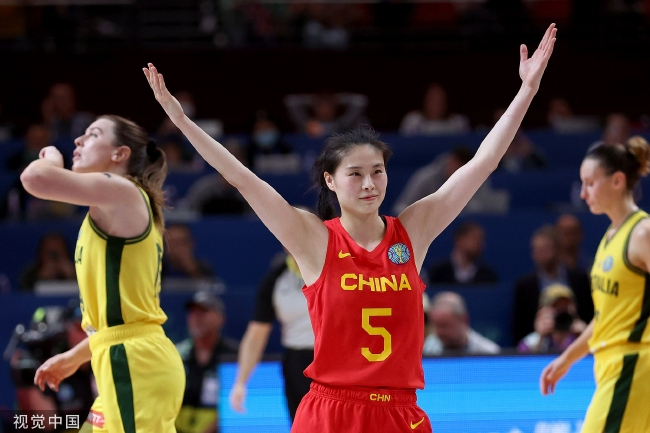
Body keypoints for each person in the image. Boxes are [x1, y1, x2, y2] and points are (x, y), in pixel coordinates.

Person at [144, 23, 556, 432]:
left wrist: (527, 91)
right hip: (331, 411)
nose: (369, 183)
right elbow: (243, 180)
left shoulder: (412, 231)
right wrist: (182, 121)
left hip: (399, 412)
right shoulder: (314, 239)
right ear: (330, 180)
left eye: (377, 171)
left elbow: (483, 163)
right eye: (355, 174)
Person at [21, 114, 185, 432]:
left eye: (93, 134)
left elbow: (34, 178)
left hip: (136, 366)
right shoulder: (114, 205)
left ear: (120, 154)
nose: (79, 140)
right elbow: (122, 322)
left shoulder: (122, 191)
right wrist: (74, 357)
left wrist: (51, 158)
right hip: (123, 358)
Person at [540, 136, 650, 432]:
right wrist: (567, 358)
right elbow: (605, 319)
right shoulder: (609, 238)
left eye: (590, 183)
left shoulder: (642, 233)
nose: (583, 193)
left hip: (634, 364)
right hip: (611, 365)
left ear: (617, 181)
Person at [229, 251, 313, 423]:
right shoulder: (275, 278)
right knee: (303, 424)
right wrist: (241, 382)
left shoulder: (338, 268)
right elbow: (256, 336)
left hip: (335, 360)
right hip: (297, 365)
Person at [511, 224, 593, 344]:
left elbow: (591, 316)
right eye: (536, 250)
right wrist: (538, 337)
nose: (539, 254)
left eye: (544, 249)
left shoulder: (580, 279)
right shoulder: (525, 286)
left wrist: (584, 333)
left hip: (577, 341)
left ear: (558, 249)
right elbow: (519, 330)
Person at [176, 290, 239, 433]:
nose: (196, 317)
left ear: (220, 318)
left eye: (203, 311)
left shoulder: (234, 357)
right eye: (193, 312)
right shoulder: (176, 355)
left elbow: (239, 403)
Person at [391, 146, 510, 215]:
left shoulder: (474, 177)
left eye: (463, 170)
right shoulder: (426, 178)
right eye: (456, 167)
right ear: (451, 161)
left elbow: (485, 207)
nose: (459, 173)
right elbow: (400, 207)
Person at [423, 291, 500, 356]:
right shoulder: (425, 351)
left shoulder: (489, 354)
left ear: (463, 320)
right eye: (436, 325)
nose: (440, 332)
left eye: (444, 325)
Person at [517, 283, 586, 353]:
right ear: (542, 311)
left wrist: (586, 337)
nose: (562, 312)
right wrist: (540, 338)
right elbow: (526, 359)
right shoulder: (529, 343)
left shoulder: (583, 336)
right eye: (556, 307)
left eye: (565, 307)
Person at [427, 221, 498, 285]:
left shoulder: (487, 275)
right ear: (459, 240)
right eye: (474, 238)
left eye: (481, 239)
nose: (479, 244)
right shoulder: (439, 273)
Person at [399, 83, 470, 136]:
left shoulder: (458, 123)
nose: (436, 103)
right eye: (432, 99)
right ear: (425, 101)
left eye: (440, 100)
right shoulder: (413, 121)